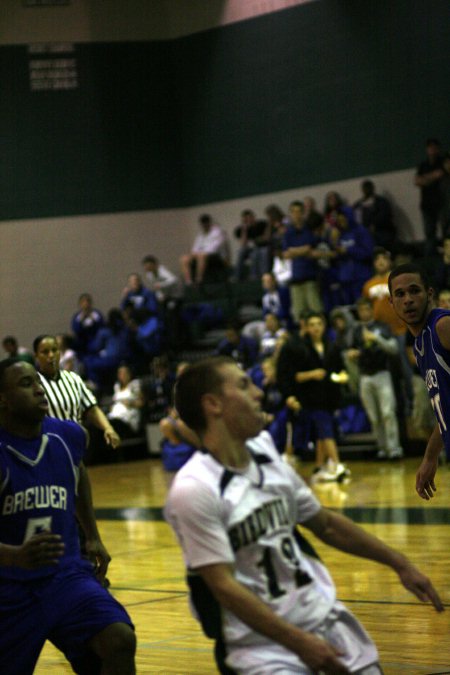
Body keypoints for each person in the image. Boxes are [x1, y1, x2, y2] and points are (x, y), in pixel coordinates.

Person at [165, 356, 443, 675]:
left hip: (323, 618)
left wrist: (400, 563)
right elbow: (223, 587)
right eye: (243, 385)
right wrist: (299, 643)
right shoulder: (194, 488)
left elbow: (324, 523)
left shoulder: (264, 448)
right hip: (261, 648)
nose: (257, 393)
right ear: (213, 404)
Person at [0, 357, 136, 674]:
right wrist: (14, 556)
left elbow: (78, 472)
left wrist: (93, 536)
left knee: (119, 640)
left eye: (37, 381)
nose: (39, 389)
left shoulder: (68, 436)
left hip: (64, 576)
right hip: (8, 587)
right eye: (25, 384)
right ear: (2, 400)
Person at [388, 263, 450, 498]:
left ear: (430, 294)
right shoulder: (420, 346)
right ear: (391, 303)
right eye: (400, 294)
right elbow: (445, 411)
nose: (408, 300)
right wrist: (430, 456)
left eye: (415, 290)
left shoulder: (443, 326)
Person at [346, 298, 404, 460]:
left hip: (382, 373)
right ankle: (382, 448)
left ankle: (394, 449)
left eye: (366, 309)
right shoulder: (356, 330)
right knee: (373, 416)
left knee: (388, 412)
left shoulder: (382, 327)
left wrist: (376, 338)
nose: (364, 313)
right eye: (361, 310)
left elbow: (393, 348)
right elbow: (349, 351)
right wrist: (352, 354)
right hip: (364, 375)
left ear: (372, 310)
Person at [414, 138, 444, 257]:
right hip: (427, 204)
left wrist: (425, 179)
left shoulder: (442, 162)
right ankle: (430, 258)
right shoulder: (423, 165)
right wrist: (432, 177)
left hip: (442, 202)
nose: (432, 149)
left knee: (446, 230)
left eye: (434, 147)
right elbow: (417, 181)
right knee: (429, 232)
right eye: (430, 147)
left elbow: (440, 174)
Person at [179, 213, 229, 285]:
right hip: (200, 255)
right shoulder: (200, 235)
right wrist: (194, 254)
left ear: (209, 223)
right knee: (183, 258)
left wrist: (199, 253)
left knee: (201, 255)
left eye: (206, 223)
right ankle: (188, 282)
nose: (204, 226)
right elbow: (195, 248)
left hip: (215, 256)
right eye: (202, 224)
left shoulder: (217, 232)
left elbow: (214, 248)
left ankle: (199, 279)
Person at [353, 180, 396, 253]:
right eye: (365, 188)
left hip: (381, 231)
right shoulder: (358, 205)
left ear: (373, 188)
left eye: (369, 187)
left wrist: (374, 225)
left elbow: (385, 216)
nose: (367, 190)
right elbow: (356, 220)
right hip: (364, 232)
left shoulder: (381, 202)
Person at [233, 209, 271, 281]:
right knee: (241, 251)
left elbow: (266, 238)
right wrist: (244, 230)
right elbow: (243, 244)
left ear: (253, 217)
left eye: (250, 218)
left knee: (258, 253)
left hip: (262, 246)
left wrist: (259, 240)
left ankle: (260, 275)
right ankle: (237, 276)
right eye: (246, 220)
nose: (249, 221)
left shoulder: (261, 224)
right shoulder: (242, 229)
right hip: (251, 248)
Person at [71, 293, 104, 360]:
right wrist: (81, 321)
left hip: (95, 340)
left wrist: (94, 321)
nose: (86, 304)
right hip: (82, 343)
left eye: (87, 301)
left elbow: (102, 327)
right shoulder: (77, 317)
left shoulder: (96, 314)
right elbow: (75, 329)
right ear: (80, 304)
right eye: (83, 302)